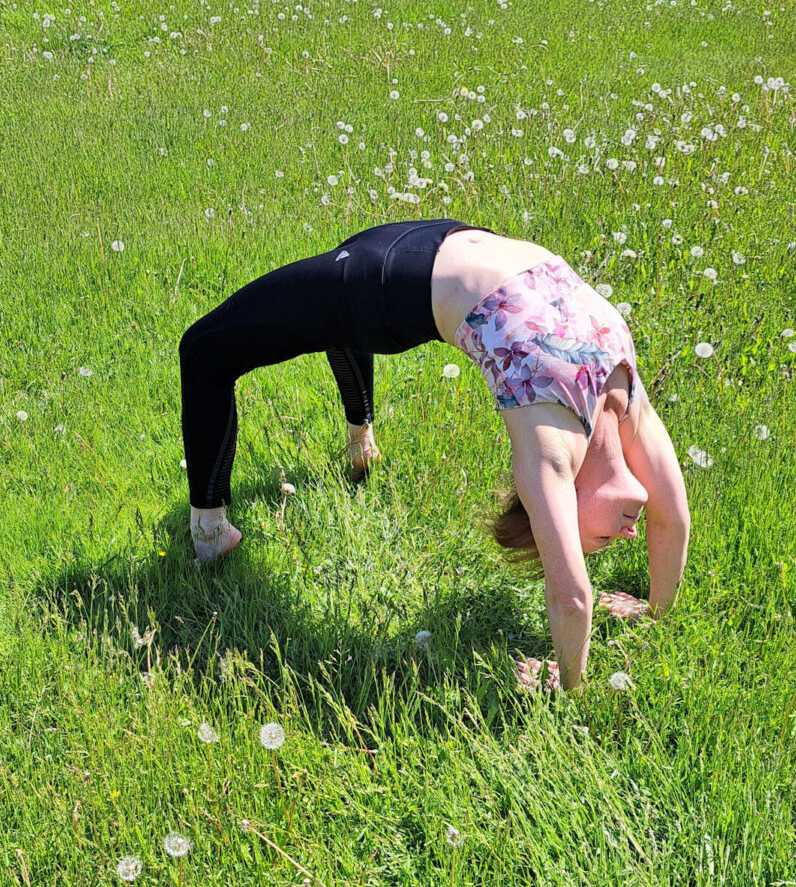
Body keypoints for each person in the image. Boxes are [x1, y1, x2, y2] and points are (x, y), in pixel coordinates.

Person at [178, 218, 690, 690]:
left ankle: (357, 443)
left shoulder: (619, 396)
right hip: (399, 268)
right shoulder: (557, 444)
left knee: (332, 317)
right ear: (561, 495)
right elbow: (574, 595)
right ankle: (209, 531)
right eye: (597, 538)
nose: (626, 532)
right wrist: (573, 687)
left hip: (430, 258)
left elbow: (672, 520)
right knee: (203, 349)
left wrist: (655, 610)